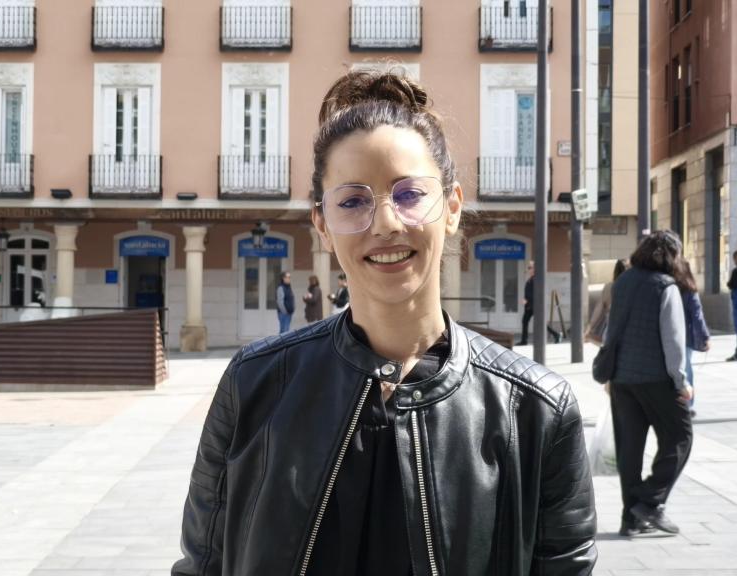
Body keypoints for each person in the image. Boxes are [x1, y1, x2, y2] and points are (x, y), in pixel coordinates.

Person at [173, 69, 597, 575]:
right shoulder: (254, 384)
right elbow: (202, 564)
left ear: (453, 207)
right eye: (352, 201)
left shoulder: (535, 410)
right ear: (322, 226)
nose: (386, 222)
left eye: (409, 194)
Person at [602, 230, 692, 537]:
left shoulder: (623, 281)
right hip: (656, 379)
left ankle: (631, 518)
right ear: (672, 256)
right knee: (680, 436)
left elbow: (611, 328)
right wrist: (681, 382)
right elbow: (674, 340)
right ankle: (650, 502)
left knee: (630, 449)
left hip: (622, 379)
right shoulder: (665, 287)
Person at [676, 261, 710, 418]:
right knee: (686, 368)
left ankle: (677, 402)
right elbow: (697, 314)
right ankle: (687, 404)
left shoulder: (667, 287)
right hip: (685, 336)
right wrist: (704, 337)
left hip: (668, 334)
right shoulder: (689, 289)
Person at [586, 258, 628, 345]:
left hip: (610, 331)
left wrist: (590, 327)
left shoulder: (609, 287)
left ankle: (589, 337)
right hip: (628, 333)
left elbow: (599, 308)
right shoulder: (633, 287)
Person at [519, 260, 535, 345]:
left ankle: (524, 341)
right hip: (529, 305)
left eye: (530, 268)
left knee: (525, 321)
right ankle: (556, 335)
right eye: (528, 268)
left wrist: (527, 301)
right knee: (525, 321)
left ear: (534, 269)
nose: (528, 269)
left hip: (532, 305)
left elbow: (534, 294)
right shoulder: (530, 279)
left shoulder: (535, 279)